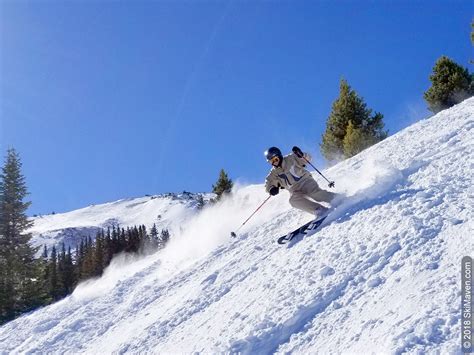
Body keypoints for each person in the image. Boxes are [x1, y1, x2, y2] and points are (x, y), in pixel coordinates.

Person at [264, 146, 339, 218]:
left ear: (279, 156)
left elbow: (308, 159)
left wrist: (301, 154)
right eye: (271, 162)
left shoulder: (291, 158)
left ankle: (335, 198)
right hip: (294, 190)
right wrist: (271, 189)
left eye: (275, 159)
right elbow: (268, 183)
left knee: (314, 193)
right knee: (293, 201)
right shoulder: (274, 173)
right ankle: (318, 209)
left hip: (305, 181)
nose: (274, 163)